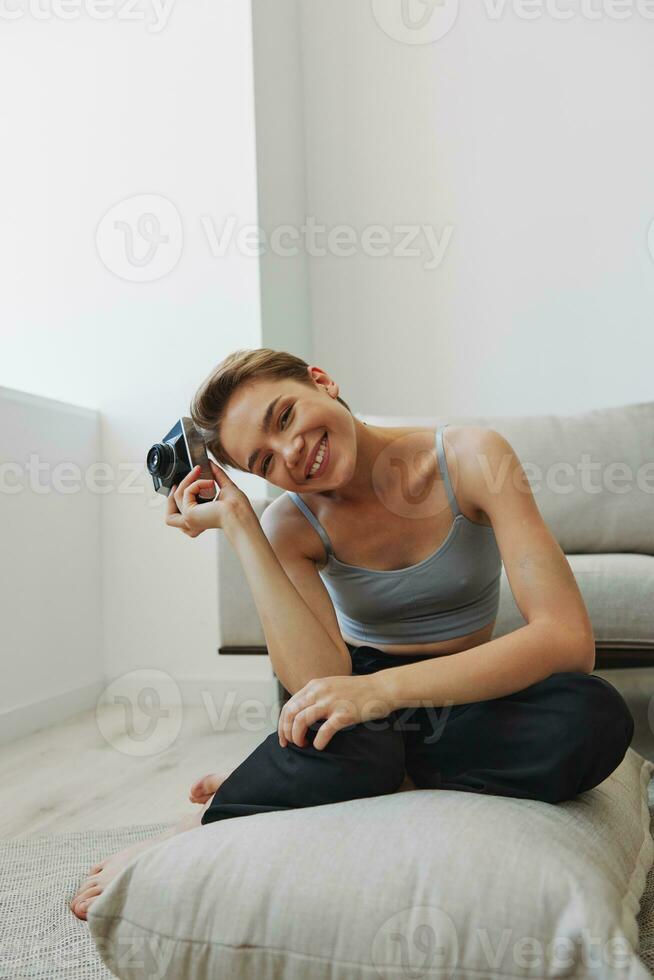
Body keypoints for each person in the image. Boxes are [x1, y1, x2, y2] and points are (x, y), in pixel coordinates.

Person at [70, 347, 634, 919]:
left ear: (322, 381)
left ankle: (307, 776)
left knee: (594, 716)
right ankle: (199, 825)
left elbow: (566, 640)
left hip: (467, 689)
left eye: (285, 416)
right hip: (361, 697)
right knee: (346, 735)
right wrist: (242, 526)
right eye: (264, 463)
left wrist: (381, 695)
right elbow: (321, 682)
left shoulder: (471, 456)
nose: (292, 453)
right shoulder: (291, 523)